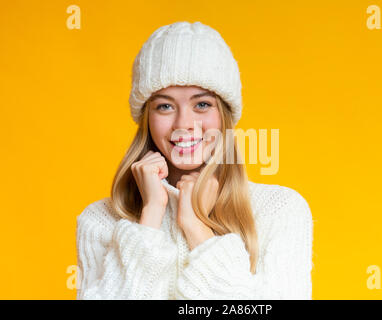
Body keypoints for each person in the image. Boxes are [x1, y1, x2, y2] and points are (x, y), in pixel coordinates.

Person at [76, 21, 313, 300]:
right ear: (146, 119)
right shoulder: (101, 220)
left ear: (224, 114)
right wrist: (150, 216)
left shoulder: (279, 211)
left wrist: (197, 229)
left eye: (202, 104)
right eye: (165, 106)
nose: (184, 123)